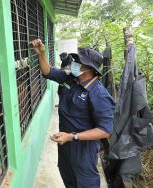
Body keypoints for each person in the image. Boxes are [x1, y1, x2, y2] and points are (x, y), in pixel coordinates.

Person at [30, 39, 115, 188]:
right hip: (65, 144)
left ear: (89, 68)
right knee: (67, 177)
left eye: (78, 61)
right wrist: (41, 53)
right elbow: (47, 71)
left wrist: (72, 136)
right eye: (75, 59)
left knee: (84, 182)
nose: (74, 63)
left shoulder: (99, 94)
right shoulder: (72, 79)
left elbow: (105, 130)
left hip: (83, 150)